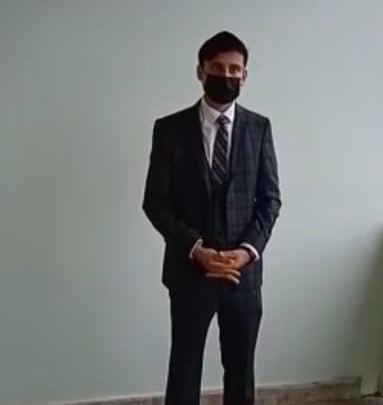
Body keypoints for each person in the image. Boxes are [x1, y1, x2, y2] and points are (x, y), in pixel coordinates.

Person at [142, 30, 281, 405]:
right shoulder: (169, 130)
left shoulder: (259, 128)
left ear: (245, 75)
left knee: (241, 373)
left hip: (243, 275)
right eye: (218, 67)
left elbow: (270, 201)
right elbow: (155, 202)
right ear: (200, 71)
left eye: (235, 69)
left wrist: (246, 251)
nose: (227, 75)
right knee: (184, 371)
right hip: (190, 272)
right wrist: (196, 249)